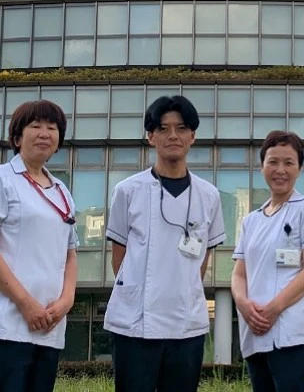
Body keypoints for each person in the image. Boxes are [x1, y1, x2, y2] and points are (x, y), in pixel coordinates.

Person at [103, 94, 226, 392]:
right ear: (151, 136)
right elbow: (119, 259)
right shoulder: (127, 191)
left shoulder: (209, 195)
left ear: (192, 136)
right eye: (163, 128)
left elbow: (203, 259)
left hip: (186, 325)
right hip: (135, 324)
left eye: (181, 128)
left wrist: (184, 290)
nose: (173, 135)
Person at [0, 99, 79, 392]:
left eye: (52, 128)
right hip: (6, 320)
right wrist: (26, 304)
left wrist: (66, 301)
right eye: (35, 126)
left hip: (49, 323)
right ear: (17, 138)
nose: (44, 133)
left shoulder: (61, 191)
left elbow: (70, 253)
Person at [231, 130, 304, 392]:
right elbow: (239, 274)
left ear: (299, 169)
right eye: (273, 162)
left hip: (293, 334)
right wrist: (243, 304)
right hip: (255, 333)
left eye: (288, 163)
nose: (280, 170)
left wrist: (274, 308)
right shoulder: (251, 220)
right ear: (262, 166)